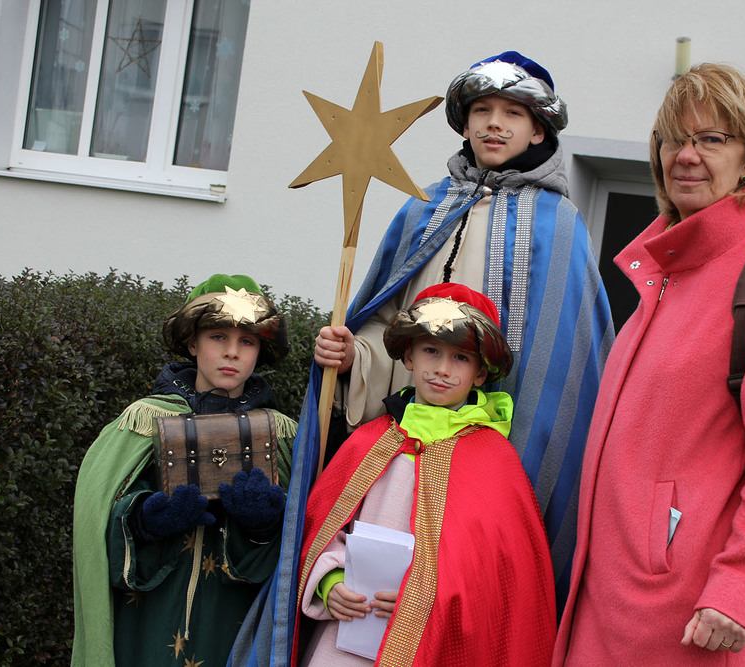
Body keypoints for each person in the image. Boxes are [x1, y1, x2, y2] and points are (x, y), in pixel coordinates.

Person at [553, 63, 745, 665]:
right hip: (611, 592)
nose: (686, 155)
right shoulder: (667, 273)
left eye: (712, 139)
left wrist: (743, 588)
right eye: (674, 139)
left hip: (692, 612)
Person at [313, 50, 614, 605]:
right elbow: (388, 319)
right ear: (465, 121)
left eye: (512, 112)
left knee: (468, 581)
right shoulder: (424, 208)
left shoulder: (561, 225)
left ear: (539, 129)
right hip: (408, 438)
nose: (494, 124)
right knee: (383, 583)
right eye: (482, 110)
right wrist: (356, 355)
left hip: (492, 456)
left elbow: (564, 362)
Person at [296, 283, 556, 665]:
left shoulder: (494, 462)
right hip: (350, 632)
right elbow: (325, 529)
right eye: (431, 350)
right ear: (409, 356)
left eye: (461, 357)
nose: (442, 369)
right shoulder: (370, 441)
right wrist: (330, 581)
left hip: (438, 644)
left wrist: (424, 599)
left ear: (481, 373)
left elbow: (495, 577)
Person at [71, 274, 296, 667]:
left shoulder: (281, 434)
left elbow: (303, 540)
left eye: (246, 341)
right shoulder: (143, 421)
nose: (232, 352)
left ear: (260, 350)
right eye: (217, 337)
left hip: (233, 619)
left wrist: (262, 526)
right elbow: (98, 518)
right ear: (193, 343)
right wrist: (145, 520)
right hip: (149, 615)